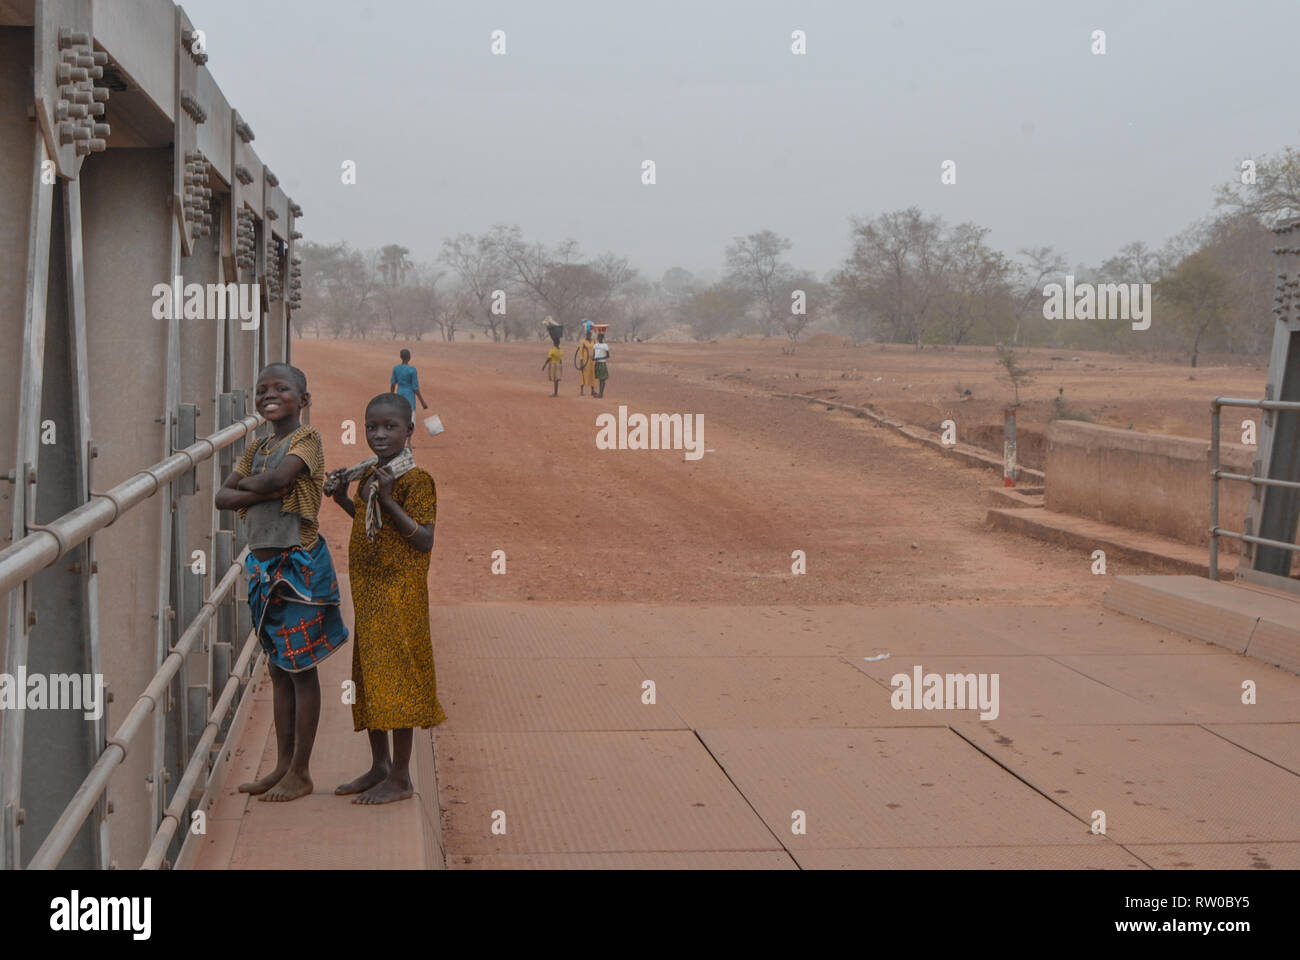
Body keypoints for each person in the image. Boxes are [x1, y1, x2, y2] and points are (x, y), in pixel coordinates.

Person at [215, 363, 348, 803]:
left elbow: (275, 479)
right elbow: (221, 497)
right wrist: (268, 491)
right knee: (277, 668)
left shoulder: (306, 440)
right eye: (262, 389)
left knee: (300, 669)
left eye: (282, 389)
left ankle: (301, 771)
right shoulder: (258, 445)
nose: (269, 395)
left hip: (299, 567)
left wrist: (264, 487)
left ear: (303, 400)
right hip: (263, 569)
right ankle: (282, 765)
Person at [325, 394, 446, 805]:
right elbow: (370, 524)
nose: (379, 434)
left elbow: (424, 540)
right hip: (371, 593)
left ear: (409, 431)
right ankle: (378, 765)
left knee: (400, 680)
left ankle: (400, 776)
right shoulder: (372, 474)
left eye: (390, 427)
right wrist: (345, 498)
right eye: (372, 426)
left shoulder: (414, 480)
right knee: (373, 677)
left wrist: (390, 499)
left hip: (399, 596)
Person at [390, 349, 428, 416]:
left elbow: (393, 384)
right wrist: (422, 402)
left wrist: (392, 396)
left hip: (400, 394)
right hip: (409, 396)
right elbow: (415, 388)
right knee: (410, 419)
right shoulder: (412, 370)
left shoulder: (396, 368)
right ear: (409, 357)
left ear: (401, 357)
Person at [577, 328, 596, 397]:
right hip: (585, 360)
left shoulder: (594, 341)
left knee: (593, 375)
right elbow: (581, 351)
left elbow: (596, 350)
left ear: (591, 335)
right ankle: (582, 390)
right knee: (583, 375)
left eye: (590, 334)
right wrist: (581, 362)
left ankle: (592, 390)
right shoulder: (583, 341)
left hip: (593, 361)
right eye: (587, 334)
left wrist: (595, 356)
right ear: (586, 335)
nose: (589, 335)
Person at [593, 333, 610, 398]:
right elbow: (594, 354)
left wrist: (599, 358)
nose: (599, 339)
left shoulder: (605, 345)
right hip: (597, 363)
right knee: (600, 379)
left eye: (600, 337)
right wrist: (593, 358)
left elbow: (608, 356)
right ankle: (600, 393)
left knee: (602, 379)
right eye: (598, 337)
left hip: (602, 363)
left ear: (603, 338)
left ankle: (601, 393)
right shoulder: (595, 345)